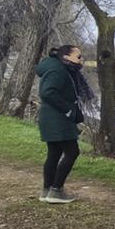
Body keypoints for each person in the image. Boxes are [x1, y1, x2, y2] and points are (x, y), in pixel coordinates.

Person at [35, 44, 94, 204]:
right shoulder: (58, 71)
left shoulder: (62, 68)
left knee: (54, 153)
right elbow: (47, 92)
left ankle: (47, 191)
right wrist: (68, 110)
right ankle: (56, 190)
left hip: (52, 117)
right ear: (66, 57)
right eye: (78, 56)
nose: (81, 60)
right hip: (57, 118)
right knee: (72, 152)